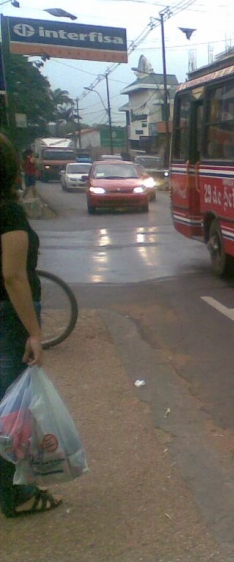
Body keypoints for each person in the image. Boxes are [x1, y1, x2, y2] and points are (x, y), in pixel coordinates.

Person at [0, 133, 61, 517]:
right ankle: (15, 495)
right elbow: (13, 276)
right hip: (8, 316)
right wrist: (34, 334)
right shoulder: (7, 211)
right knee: (10, 407)